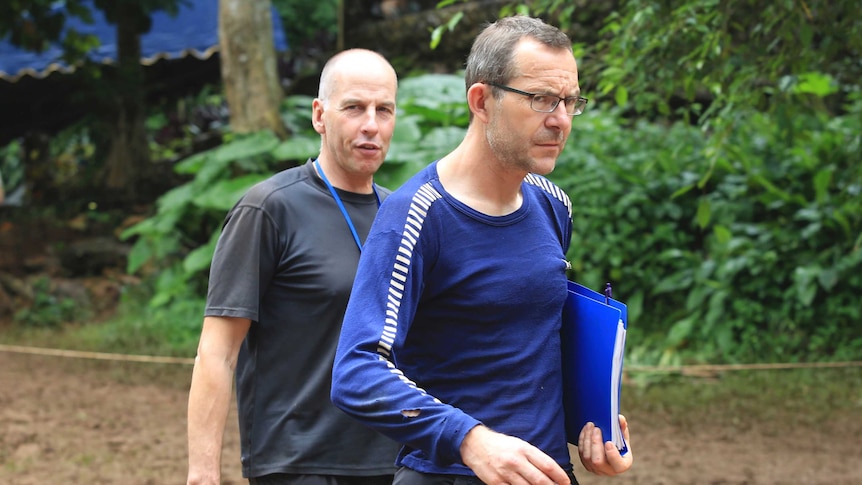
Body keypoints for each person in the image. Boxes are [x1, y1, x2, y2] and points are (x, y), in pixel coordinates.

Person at [330, 16, 633, 485]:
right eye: (540, 100)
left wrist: (594, 426)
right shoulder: (417, 214)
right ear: (481, 100)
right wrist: (471, 440)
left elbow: (533, 346)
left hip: (547, 472)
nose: (560, 120)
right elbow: (356, 369)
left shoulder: (554, 205)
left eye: (570, 101)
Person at [186, 48, 402, 485]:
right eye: (354, 108)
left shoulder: (402, 214)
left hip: (393, 460)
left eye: (384, 110)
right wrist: (203, 472)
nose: (371, 126)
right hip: (297, 462)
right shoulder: (268, 209)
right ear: (319, 115)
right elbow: (217, 351)